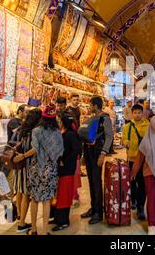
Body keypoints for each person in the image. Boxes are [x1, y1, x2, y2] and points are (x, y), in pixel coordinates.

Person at [14, 104, 64, 235]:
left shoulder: (37, 131)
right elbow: (60, 151)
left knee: (35, 199)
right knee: (47, 201)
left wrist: (23, 156)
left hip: (36, 169)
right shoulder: (57, 132)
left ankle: (34, 230)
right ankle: (45, 230)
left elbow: (35, 150)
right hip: (51, 169)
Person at [79, 96, 113, 224]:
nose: (89, 107)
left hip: (97, 152)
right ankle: (93, 208)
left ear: (95, 105)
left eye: (90, 104)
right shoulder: (92, 118)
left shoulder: (105, 118)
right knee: (91, 181)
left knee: (96, 182)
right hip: (88, 152)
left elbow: (109, 137)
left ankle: (98, 212)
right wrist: (83, 155)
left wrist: (103, 154)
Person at [11, 108, 42, 233]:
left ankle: (19, 217)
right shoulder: (35, 132)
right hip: (29, 166)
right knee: (26, 195)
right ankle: (22, 222)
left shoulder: (20, 130)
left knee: (20, 191)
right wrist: (24, 155)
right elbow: (35, 149)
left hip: (19, 166)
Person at [52, 112, 81, 231]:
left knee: (64, 194)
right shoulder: (64, 133)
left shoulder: (70, 135)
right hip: (62, 168)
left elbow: (76, 150)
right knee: (60, 193)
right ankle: (58, 218)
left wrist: (64, 160)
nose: (58, 123)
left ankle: (64, 221)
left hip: (67, 169)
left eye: (60, 121)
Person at [122, 104, 149, 221]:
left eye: (139, 112)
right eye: (135, 112)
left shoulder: (148, 125)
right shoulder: (127, 126)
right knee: (132, 182)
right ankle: (134, 200)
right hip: (132, 158)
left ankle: (141, 207)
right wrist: (126, 142)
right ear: (132, 114)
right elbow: (124, 139)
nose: (137, 114)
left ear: (142, 113)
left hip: (145, 159)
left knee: (142, 183)